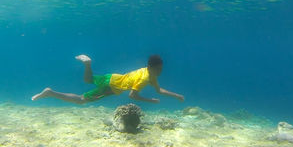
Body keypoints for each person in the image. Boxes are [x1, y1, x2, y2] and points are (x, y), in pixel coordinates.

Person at [31, 54, 184, 104]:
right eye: (158, 69)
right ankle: (50, 92)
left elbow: (159, 89)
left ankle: (88, 64)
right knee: (82, 100)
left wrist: (176, 95)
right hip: (111, 88)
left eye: (161, 69)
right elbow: (132, 95)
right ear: (151, 68)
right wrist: (150, 101)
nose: (160, 71)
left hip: (112, 77)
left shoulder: (149, 74)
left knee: (88, 80)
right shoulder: (145, 78)